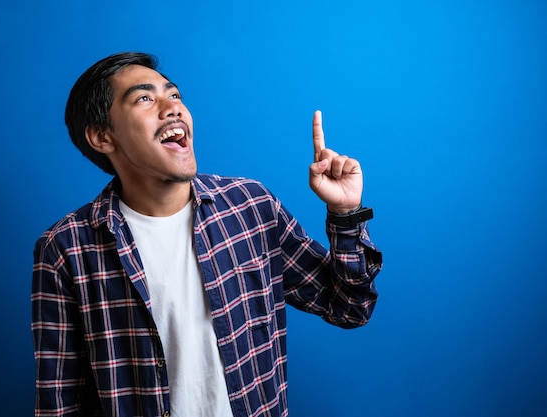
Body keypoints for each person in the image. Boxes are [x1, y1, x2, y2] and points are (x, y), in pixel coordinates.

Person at [31, 52, 383, 417]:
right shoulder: (66, 249)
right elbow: (61, 401)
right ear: (103, 137)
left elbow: (350, 308)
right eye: (145, 98)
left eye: (175, 95)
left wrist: (345, 214)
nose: (173, 108)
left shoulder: (250, 208)